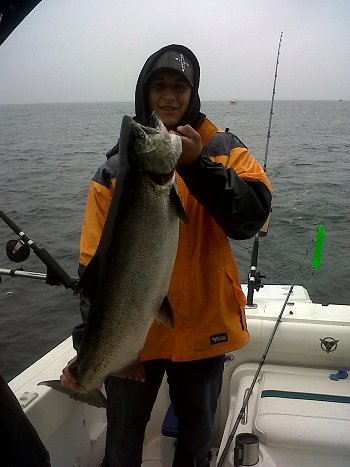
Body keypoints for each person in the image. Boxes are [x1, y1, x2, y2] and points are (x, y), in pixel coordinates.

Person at [61, 44, 272, 467]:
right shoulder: (114, 171)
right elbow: (93, 271)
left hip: (206, 326)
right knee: (121, 448)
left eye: (180, 87)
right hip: (133, 335)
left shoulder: (225, 148)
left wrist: (196, 166)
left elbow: (253, 218)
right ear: (145, 94)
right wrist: (88, 347)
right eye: (159, 86)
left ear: (193, 95)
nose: (170, 96)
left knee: (195, 446)